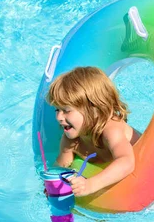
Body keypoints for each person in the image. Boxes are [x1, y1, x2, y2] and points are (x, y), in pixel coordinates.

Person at [47, 67, 140, 197]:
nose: (59, 117)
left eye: (66, 110)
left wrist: (90, 185)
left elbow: (126, 162)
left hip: (148, 166)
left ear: (94, 109)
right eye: (57, 110)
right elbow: (62, 165)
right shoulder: (70, 140)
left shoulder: (111, 130)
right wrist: (52, 184)